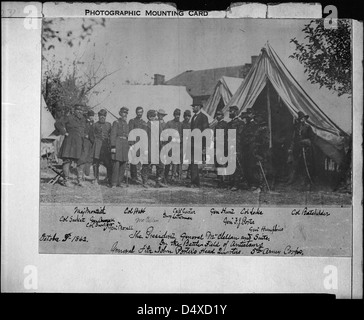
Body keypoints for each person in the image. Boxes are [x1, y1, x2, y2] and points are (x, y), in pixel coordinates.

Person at [56, 104, 86, 187]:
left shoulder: (83, 119)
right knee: (67, 161)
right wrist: (64, 132)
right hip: (70, 142)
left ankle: (79, 180)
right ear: (74, 110)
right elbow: (58, 123)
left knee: (81, 161)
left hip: (80, 143)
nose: (80, 111)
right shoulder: (69, 117)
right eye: (78, 110)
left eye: (81, 110)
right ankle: (66, 180)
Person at [287, 111, 315, 188]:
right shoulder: (296, 127)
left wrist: (306, 141)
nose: (302, 120)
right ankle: (295, 180)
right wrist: (291, 147)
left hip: (306, 149)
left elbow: (312, 138)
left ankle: (307, 181)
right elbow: (293, 138)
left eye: (303, 119)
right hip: (298, 148)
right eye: (301, 119)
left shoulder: (308, 127)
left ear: (305, 119)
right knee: (296, 164)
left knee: (306, 164)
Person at [190, 103, 209, 188]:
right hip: (193, 143)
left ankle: (195, 182)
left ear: (199, 107)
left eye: (194, 106)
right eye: (193, 106)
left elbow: (205, 132)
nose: (193, 107)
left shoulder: (203, 117)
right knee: (193, 163)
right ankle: (194, 182)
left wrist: (204, 146)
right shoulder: (193, 117)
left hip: (199, 143)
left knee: (195, 163)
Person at [110, 107, 129, 188]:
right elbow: (113, 135)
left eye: (126, 113)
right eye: (123, 113)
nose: (125, 114)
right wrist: (113, 146)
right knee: (116, 164)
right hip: (117, 144)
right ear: (120, 113)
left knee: (123, 164)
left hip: (125, 145)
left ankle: (119, 182)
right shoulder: (116, 122)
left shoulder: (126, 124)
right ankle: (113, 183)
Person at [92, 109, 112, 186]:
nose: (102, 117)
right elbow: (92, 135)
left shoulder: (109, 125)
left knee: (108, 163)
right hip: (98, 146)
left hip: (106, 146)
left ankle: (108, 178)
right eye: (101, 116)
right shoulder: (95, 125)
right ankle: (96, 178)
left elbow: (111, 135)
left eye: (103, 116)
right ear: (98, 116)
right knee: (96, 162)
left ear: (105, 117)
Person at [227, 105, 244, 191]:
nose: (230, 113)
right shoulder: (229, 124)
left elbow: (240, 136)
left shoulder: (240, 123)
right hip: (230, 146)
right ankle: (231, 183)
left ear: (236, 112)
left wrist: (235, 145)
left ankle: (236, 184)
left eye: (231, 111)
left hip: (237, 147)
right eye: (229, 111)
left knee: (236, 165)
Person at [128, 106, 146, 184]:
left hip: (141, 144)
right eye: (138, 112)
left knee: (139, 161)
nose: (139, 114)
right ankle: (134, 177)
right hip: (134, 143)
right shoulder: (132, 121)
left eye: (141, 112)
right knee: (133, 161)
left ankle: (138, 176)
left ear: (142, 113)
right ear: (136, 112)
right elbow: (131, 132)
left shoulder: (143, 122)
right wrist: (131, 145)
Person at [164, 108, 183, 182]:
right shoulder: (169, 123)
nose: (177, 116)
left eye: (178, 115)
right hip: (169, 145)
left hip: (177, 146)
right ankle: (165, 176)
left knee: (175, 162)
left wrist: (179, 140)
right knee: (168, 161)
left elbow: (183, 135)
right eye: (176, 115)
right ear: (174, 115)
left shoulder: (181, 124)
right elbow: (165, 133)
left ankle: (173, 176)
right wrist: (170, 139)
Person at [77, 109, 95, 181]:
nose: (91, 117)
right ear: (88, 116)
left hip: (91, 142)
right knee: (83, 157)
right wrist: (85, 135)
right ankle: (80, 175)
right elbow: (81, 131)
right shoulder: (84, 122)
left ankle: (86, 173)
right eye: (90, 116)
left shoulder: (93, 123)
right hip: (85, 141)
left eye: (92, 116)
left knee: (89, 157)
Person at [213, 109, 228, 188]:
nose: (217, 116)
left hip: (222, 147)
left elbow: (224, 135)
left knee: (222, 164)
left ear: (222, 116)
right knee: (218, 163)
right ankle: (219, 180)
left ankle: (222, 181)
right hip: (218, 147)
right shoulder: (217, 124)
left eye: (219, 115)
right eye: (217, 115)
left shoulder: (224, 124)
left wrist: (216, 138)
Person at [181, 110, 192, 179]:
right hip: (182, 143)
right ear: (184, 116)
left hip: (189, 143)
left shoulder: (191, 124)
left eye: (188, 116)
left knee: (190, 159)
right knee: (180, 158)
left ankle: (189, 174)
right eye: (186, 116)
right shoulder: (181, 124)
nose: (187, 117)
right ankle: (178, 174)